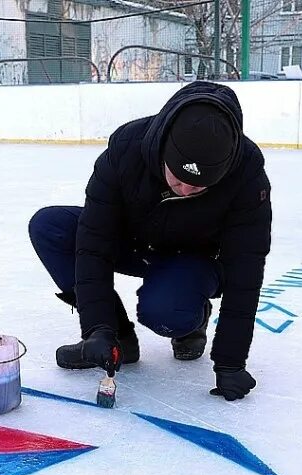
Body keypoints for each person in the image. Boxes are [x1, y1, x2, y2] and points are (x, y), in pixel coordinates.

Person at [28, 81, 272, 401]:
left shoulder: (247, 173)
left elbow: (246, 266)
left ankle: (190, 323)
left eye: (198, 188)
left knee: (165, 312)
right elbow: (94, 241)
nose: (185, 190)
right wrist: (98, 328)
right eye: (178, 179)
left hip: (196, 259)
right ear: (164, 150)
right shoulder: (127, 148)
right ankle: (118, 340)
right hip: (137, 242)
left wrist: (231, 361)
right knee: (51, 227)